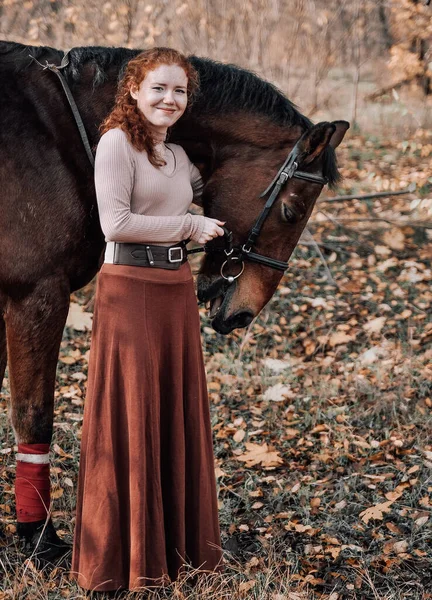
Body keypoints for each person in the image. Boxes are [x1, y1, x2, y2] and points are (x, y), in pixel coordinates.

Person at [70, 47, 225, 592]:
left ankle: (178, 552)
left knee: (172, 411)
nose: (170, 99)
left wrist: (200, 222)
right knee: (132, 414)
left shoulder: (179, 157)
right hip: (130, 290)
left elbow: (190, 210)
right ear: (133, 90)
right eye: (158, 88)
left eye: (180, 90)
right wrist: (187, 225)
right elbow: (115, 223)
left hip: (175, 292)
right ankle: (124, 558)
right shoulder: (117, 144)